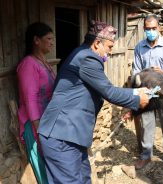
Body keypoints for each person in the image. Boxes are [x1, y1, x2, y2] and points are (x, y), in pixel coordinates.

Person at [37, 20, 149, 184]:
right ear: (97, 43)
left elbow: (105, 88)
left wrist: (135, 92)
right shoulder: (87, 58)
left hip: (72, 135)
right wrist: (138, 99)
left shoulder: (82, 55)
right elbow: (109, 92)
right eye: (109, 47)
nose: (110, 52)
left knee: (84, 178)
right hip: (61, 135)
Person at [132, 14, 163, 170]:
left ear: (159, 28)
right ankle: (146, 156)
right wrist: (145, 73)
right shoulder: (139, 47)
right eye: (148, 29)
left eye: (153, 28)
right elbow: (136, 70)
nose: (151, 31)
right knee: (146, 123)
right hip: (147, 91)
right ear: (144, 29)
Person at [17, 22, 55, 184]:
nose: (52, 42)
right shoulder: (28, 64)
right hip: (35, 124)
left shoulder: (43, 62)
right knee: (42, 164)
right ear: (36, 40)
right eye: (48, 38)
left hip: (45, 121)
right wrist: (38, 126)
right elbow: (30, 97)